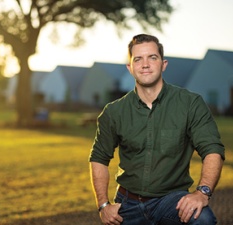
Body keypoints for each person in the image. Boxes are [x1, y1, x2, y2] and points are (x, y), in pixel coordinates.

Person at [88, 34, 225, 225]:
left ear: (163, 64)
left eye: (152, 57)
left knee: (202, 218)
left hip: (171, 201)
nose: (145, 64)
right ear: (130, 68)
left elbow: (212, 149)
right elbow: (99, 158)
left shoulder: (190, 103)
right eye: (138, 59)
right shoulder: (114, 111)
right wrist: (103, 205)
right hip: (127, 205)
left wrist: (202, 193)